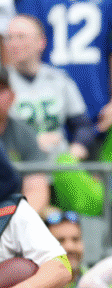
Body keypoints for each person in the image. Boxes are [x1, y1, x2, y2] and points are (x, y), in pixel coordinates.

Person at [17, 0, 112, 147]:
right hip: (46, 102)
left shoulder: (111, 3)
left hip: (95, 102)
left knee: (88, 160)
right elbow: (20, 39)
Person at [4, 14, 97, 164]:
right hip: (18, 168)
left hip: (59, 166)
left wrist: (74, 153)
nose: (14, 43)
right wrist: (33, 141)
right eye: (9, 38)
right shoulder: (3, 82)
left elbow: (83, 126)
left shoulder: (59, 79)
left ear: (41, 42)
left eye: (21, 37)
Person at [0, 66, 50, 210]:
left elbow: (37, 191)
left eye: (1, 90)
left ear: (12, 96)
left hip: (10, 212)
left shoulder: (25, 133)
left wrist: (11, 221)